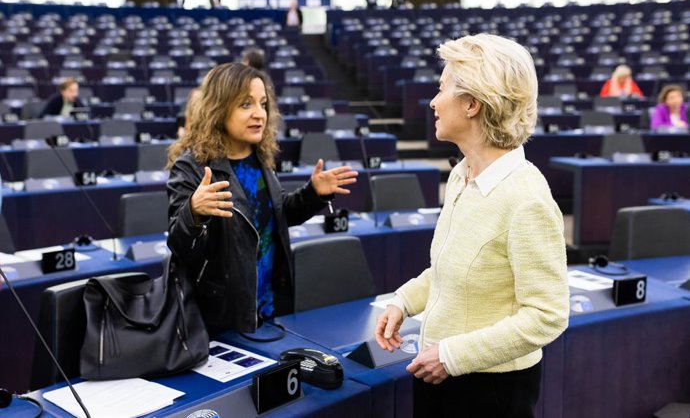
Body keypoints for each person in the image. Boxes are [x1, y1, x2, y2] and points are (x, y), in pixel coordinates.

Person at [374, 34, 569, 418]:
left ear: (472, 104)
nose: (433, 100)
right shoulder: (464, 174)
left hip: (487, 390)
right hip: (444, 374)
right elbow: (452, 267)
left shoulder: (526, 197)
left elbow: (547, 315)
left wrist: (451, 355)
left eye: (442, 88)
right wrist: (403, 301)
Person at [166, 63, 358, 333]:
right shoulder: (192, 167)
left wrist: (312, 194)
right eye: (246, 104)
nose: (259, 114)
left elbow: (275, 217)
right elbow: (179, 244)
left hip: (270, 304)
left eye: (263, 104)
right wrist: (194, 212)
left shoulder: (260, 157)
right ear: (218, 108)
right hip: (222, 315)